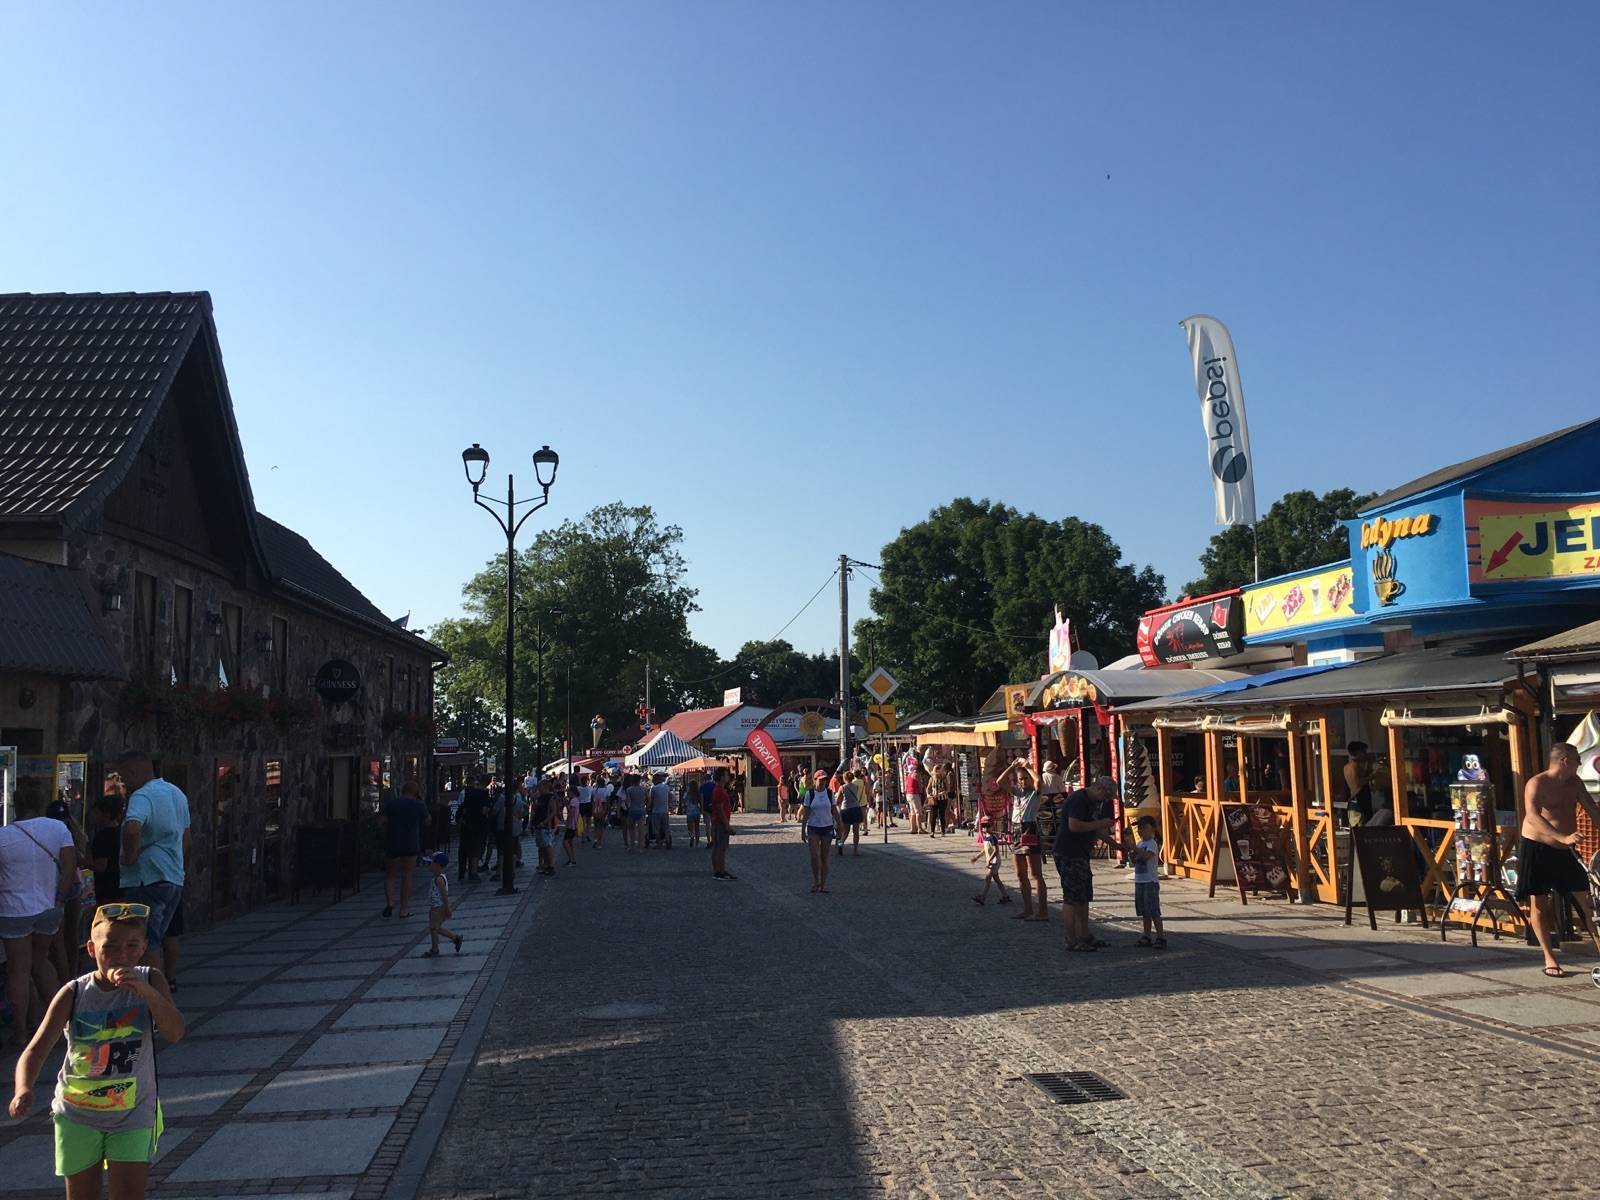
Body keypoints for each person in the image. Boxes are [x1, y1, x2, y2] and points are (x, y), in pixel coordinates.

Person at [9, 901, 185, 1199]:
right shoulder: (74, 993)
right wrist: (23, 1088)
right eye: (110, 947)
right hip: (77, 1115)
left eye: (132, 946)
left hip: (133, 1114)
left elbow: (175, 1032)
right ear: (91, 949)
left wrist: (146, 992)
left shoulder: (151, 980)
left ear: (143, 947)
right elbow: (35, 1050)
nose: (122, 956)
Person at [0, 785, 77, 1049]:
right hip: (49, 907)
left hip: (13, 909)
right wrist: (59, 899)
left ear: (15, 804)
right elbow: (69, 866)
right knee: (41, 961)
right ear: (41, 802)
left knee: (18, 969)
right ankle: (62, 1023)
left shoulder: (4, 836)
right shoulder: (58, 829)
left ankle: (21, 1033)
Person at [1516, 743, 1600, 977]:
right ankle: (1549, 957)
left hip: (1566, 849)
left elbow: (1592, 810)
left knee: (1589, 903)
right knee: (1540, 903)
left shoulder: (1575, 783)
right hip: (1537, 847)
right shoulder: (1537, 783)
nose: (1579, 764)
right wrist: (1561, 837)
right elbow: (1532, 816)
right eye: (1577, 760)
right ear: (1565, 760)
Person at [115, 751, 189, 972]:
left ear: (133, 772)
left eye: (123, 777)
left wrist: (129, 857)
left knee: (144, 942)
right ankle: (163, 984)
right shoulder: (176, 793)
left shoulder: (142, 795)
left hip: (146, 878)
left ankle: (152, 990)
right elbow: (187, 837)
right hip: (173, 877)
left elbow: (132, 828)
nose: (123, 783)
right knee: (159, 936)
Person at [1054, 776, 1118, 952]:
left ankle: (1085, 935)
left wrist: (1116, 845)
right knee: (1072, 898)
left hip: (1081, 854)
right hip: (1068, 852)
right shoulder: (1079, 799)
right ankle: (1071, 939)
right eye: (1106, 797)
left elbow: (1096, 829)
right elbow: (1074, 825)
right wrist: (1100, 823)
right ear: (1100, 789)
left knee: (1083, 896)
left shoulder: (1092, 802)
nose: (1105, 801)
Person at [1006, 760, 1049, 923]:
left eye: (1025, 778)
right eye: (1020, 779)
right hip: (1016, 829)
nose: (1023, 782)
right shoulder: (1017, 793)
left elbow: (1038, 782)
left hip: (1029, 828)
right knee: (1020, 874)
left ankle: (1043, 911)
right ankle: (1027, 909)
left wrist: (1029, 768)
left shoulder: (1034, 793)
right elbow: (1000, 782)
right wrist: (1011, 767)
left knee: (1035, 874)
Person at [383, 777, 428, 918]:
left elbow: (381, 821)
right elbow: (428, 821)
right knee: (407, 875)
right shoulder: (418, 804)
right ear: (416, 792)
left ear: (402, 791)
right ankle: (404, 909)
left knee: (390, 874)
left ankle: (390, 903)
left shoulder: (392, 804)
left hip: (393, 841)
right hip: (410, 842)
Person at [1128, 815, 1166, 948]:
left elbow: (1146, 856)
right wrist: (1131, 851)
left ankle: (1160, 936)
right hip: (1140, 881)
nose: (1141, 831)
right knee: (1144, 911)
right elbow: (1136, 860)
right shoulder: (1140, 844)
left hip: (1150, 882)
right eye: (1139, 828)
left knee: (1153, 910)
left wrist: (1135, 848)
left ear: (1153, 829)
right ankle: (1147, 935)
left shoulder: (1152, 844)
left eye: (1144, 828)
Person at [421, 853, 465, 957]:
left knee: (434, 929)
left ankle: (434, 949)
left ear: (438, 865)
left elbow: (444, 894)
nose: (428, 865)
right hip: (435, 907)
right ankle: (455, 938)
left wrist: (447, 907)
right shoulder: (436, 878)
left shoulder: (439, 879)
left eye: (430, 863)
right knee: (436, 928)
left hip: (438, 907)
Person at [803, 770, 839, 893]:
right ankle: (815, 881)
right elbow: (806, 813)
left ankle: (823, 884)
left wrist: (839, 825)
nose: (823, 781)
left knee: (824, 856)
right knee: (814, 856)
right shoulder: (810, 794)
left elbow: (834, 810)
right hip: (813, 827)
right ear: (815, 780)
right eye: (821, 779)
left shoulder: (829, 793)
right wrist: (803, 830)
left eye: (825, 779)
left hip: (827, 827)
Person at [90, 794, 125, 908]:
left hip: (107, 891)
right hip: (122, 888)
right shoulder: (122, 833)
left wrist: (81, 860)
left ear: (107, 815)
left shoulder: (103, 836)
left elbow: (100, 866)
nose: (93, 817)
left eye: (96, 813)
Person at [455, 775, 491, 882]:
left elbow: (462, 808)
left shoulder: (466, 792)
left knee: (464, 848)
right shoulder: (484, 794)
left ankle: (462, 872)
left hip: (467, 823)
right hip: (479, 824)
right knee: (476, 847)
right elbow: (485, 810)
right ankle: (473, 872)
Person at [709, 768, 736, 881]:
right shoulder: (719, 791)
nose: (728, 777)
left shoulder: (719, 790)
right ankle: (719, 871)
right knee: (720, 848)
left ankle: (719, 870)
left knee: (717, 848)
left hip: (717, 822)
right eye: (726, 775)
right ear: (721, 777)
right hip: (720, 823)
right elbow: (720, 809)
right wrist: (727, 825)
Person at [1343, 741, 1376, 826]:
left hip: (1356, 800)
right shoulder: (1354, 766)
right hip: (1359, 801)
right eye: (1364, 752)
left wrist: (1369, 765)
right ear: (1358, 753)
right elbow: (1358, 783)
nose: (1365, 754)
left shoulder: (1351, 766)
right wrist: (1373, 775)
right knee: (1362, 827)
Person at [836, 769, 866, 856]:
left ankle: (841, 843)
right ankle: (855, 850)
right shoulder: (856, 787)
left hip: (846, 809)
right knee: (856, 831)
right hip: (856, 808)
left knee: (846, 831)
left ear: (844, 778)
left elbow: (838, 800)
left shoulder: (842, 787)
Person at [648, 773, 673, 849]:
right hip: (665, 811)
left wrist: (649, 808)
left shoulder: (653, 788)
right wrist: (668, 804)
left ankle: (658, 843)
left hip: (656, 811)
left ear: (656, 780)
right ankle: (668, 841)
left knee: (656, 828)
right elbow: (671, 796)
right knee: (666, 827)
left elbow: (651, 800)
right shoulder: (666, 787)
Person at [561, 782, 581, 868]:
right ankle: (573, 859)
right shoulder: (574, 800)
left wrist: (566, 803)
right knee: (570, 843)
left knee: (565, 842)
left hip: (571, 824)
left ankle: (571, 860)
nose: (567, 793)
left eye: (568, 792)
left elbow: (570, 813)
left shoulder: (574, 801)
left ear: (572, 792)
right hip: (572, 824)